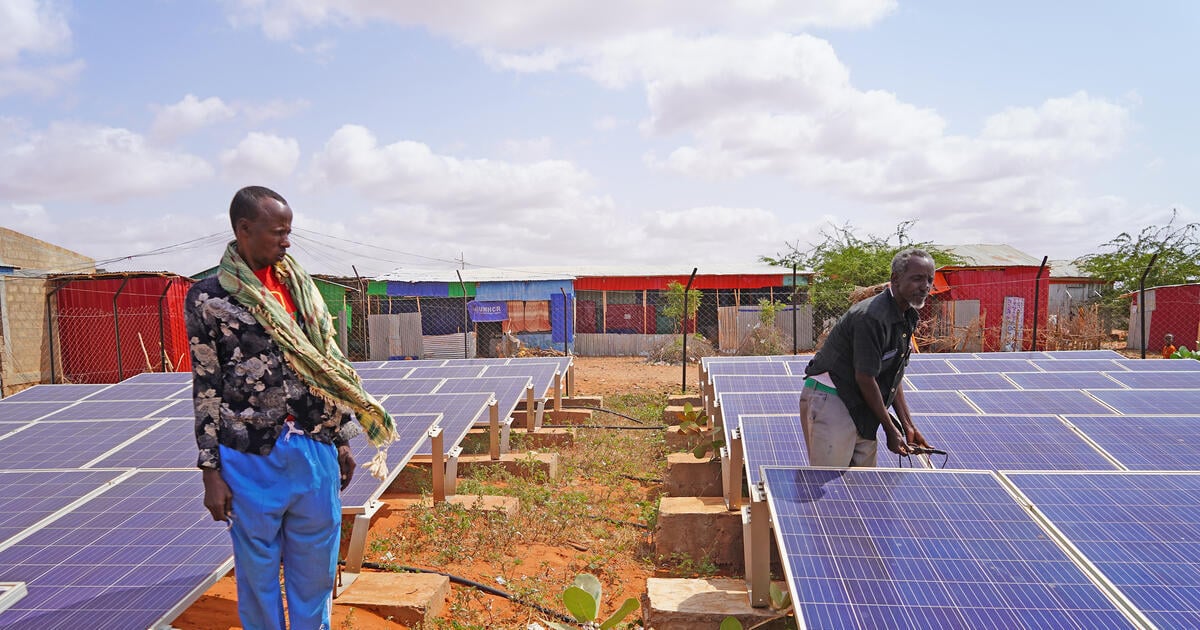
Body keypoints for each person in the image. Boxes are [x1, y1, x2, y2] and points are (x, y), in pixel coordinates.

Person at [187, 186, 397, 629]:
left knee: (316, 571)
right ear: (244, 230)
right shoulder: (209, 298)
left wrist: (340, 441)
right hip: (249, 456)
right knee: (257, 573)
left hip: (314, 449)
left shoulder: (301, 290)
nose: (286, 242)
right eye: (278, 232)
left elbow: (326, 369)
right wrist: (210, 470)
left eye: (289, 232)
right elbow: (206, 384)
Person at [800, 248, 935, 466]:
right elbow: (865, 377)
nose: (925, 286)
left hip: (864, 403)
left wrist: (907, 425)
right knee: (830, 484)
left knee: (862, 486)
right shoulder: (871, 317)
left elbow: (892, 376)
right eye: (917, 278)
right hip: (833, 397)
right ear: (895, 279)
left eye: (929, 280)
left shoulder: (908, 316)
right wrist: (890, 430)